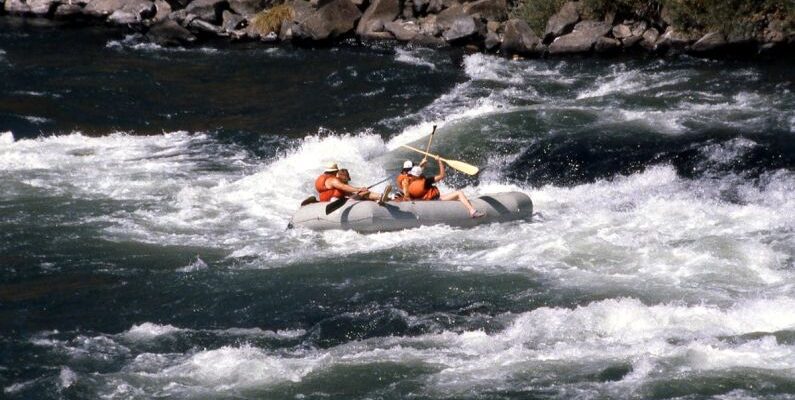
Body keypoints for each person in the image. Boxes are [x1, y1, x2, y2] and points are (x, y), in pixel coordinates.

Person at [401, 157, 485, 218]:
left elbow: (417, 173)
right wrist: (440, 162)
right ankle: (472, 211)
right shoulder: (426, 182)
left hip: (424, 200)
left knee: (444, 195)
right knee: (459, 193)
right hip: (435, 201)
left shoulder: (409, 182)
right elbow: (442, 175)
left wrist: (422, 165)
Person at [314, 162, 391, 204]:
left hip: (326, 202)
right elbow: (343, 187)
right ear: (335, 171)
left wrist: (358, 190)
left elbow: (344, 191)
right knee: (364, 193)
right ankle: (381, 197)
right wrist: (359, 190)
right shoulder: (332, 180)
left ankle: (380, 199)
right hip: (335, 202)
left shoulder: (320, 179)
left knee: (362, 194)